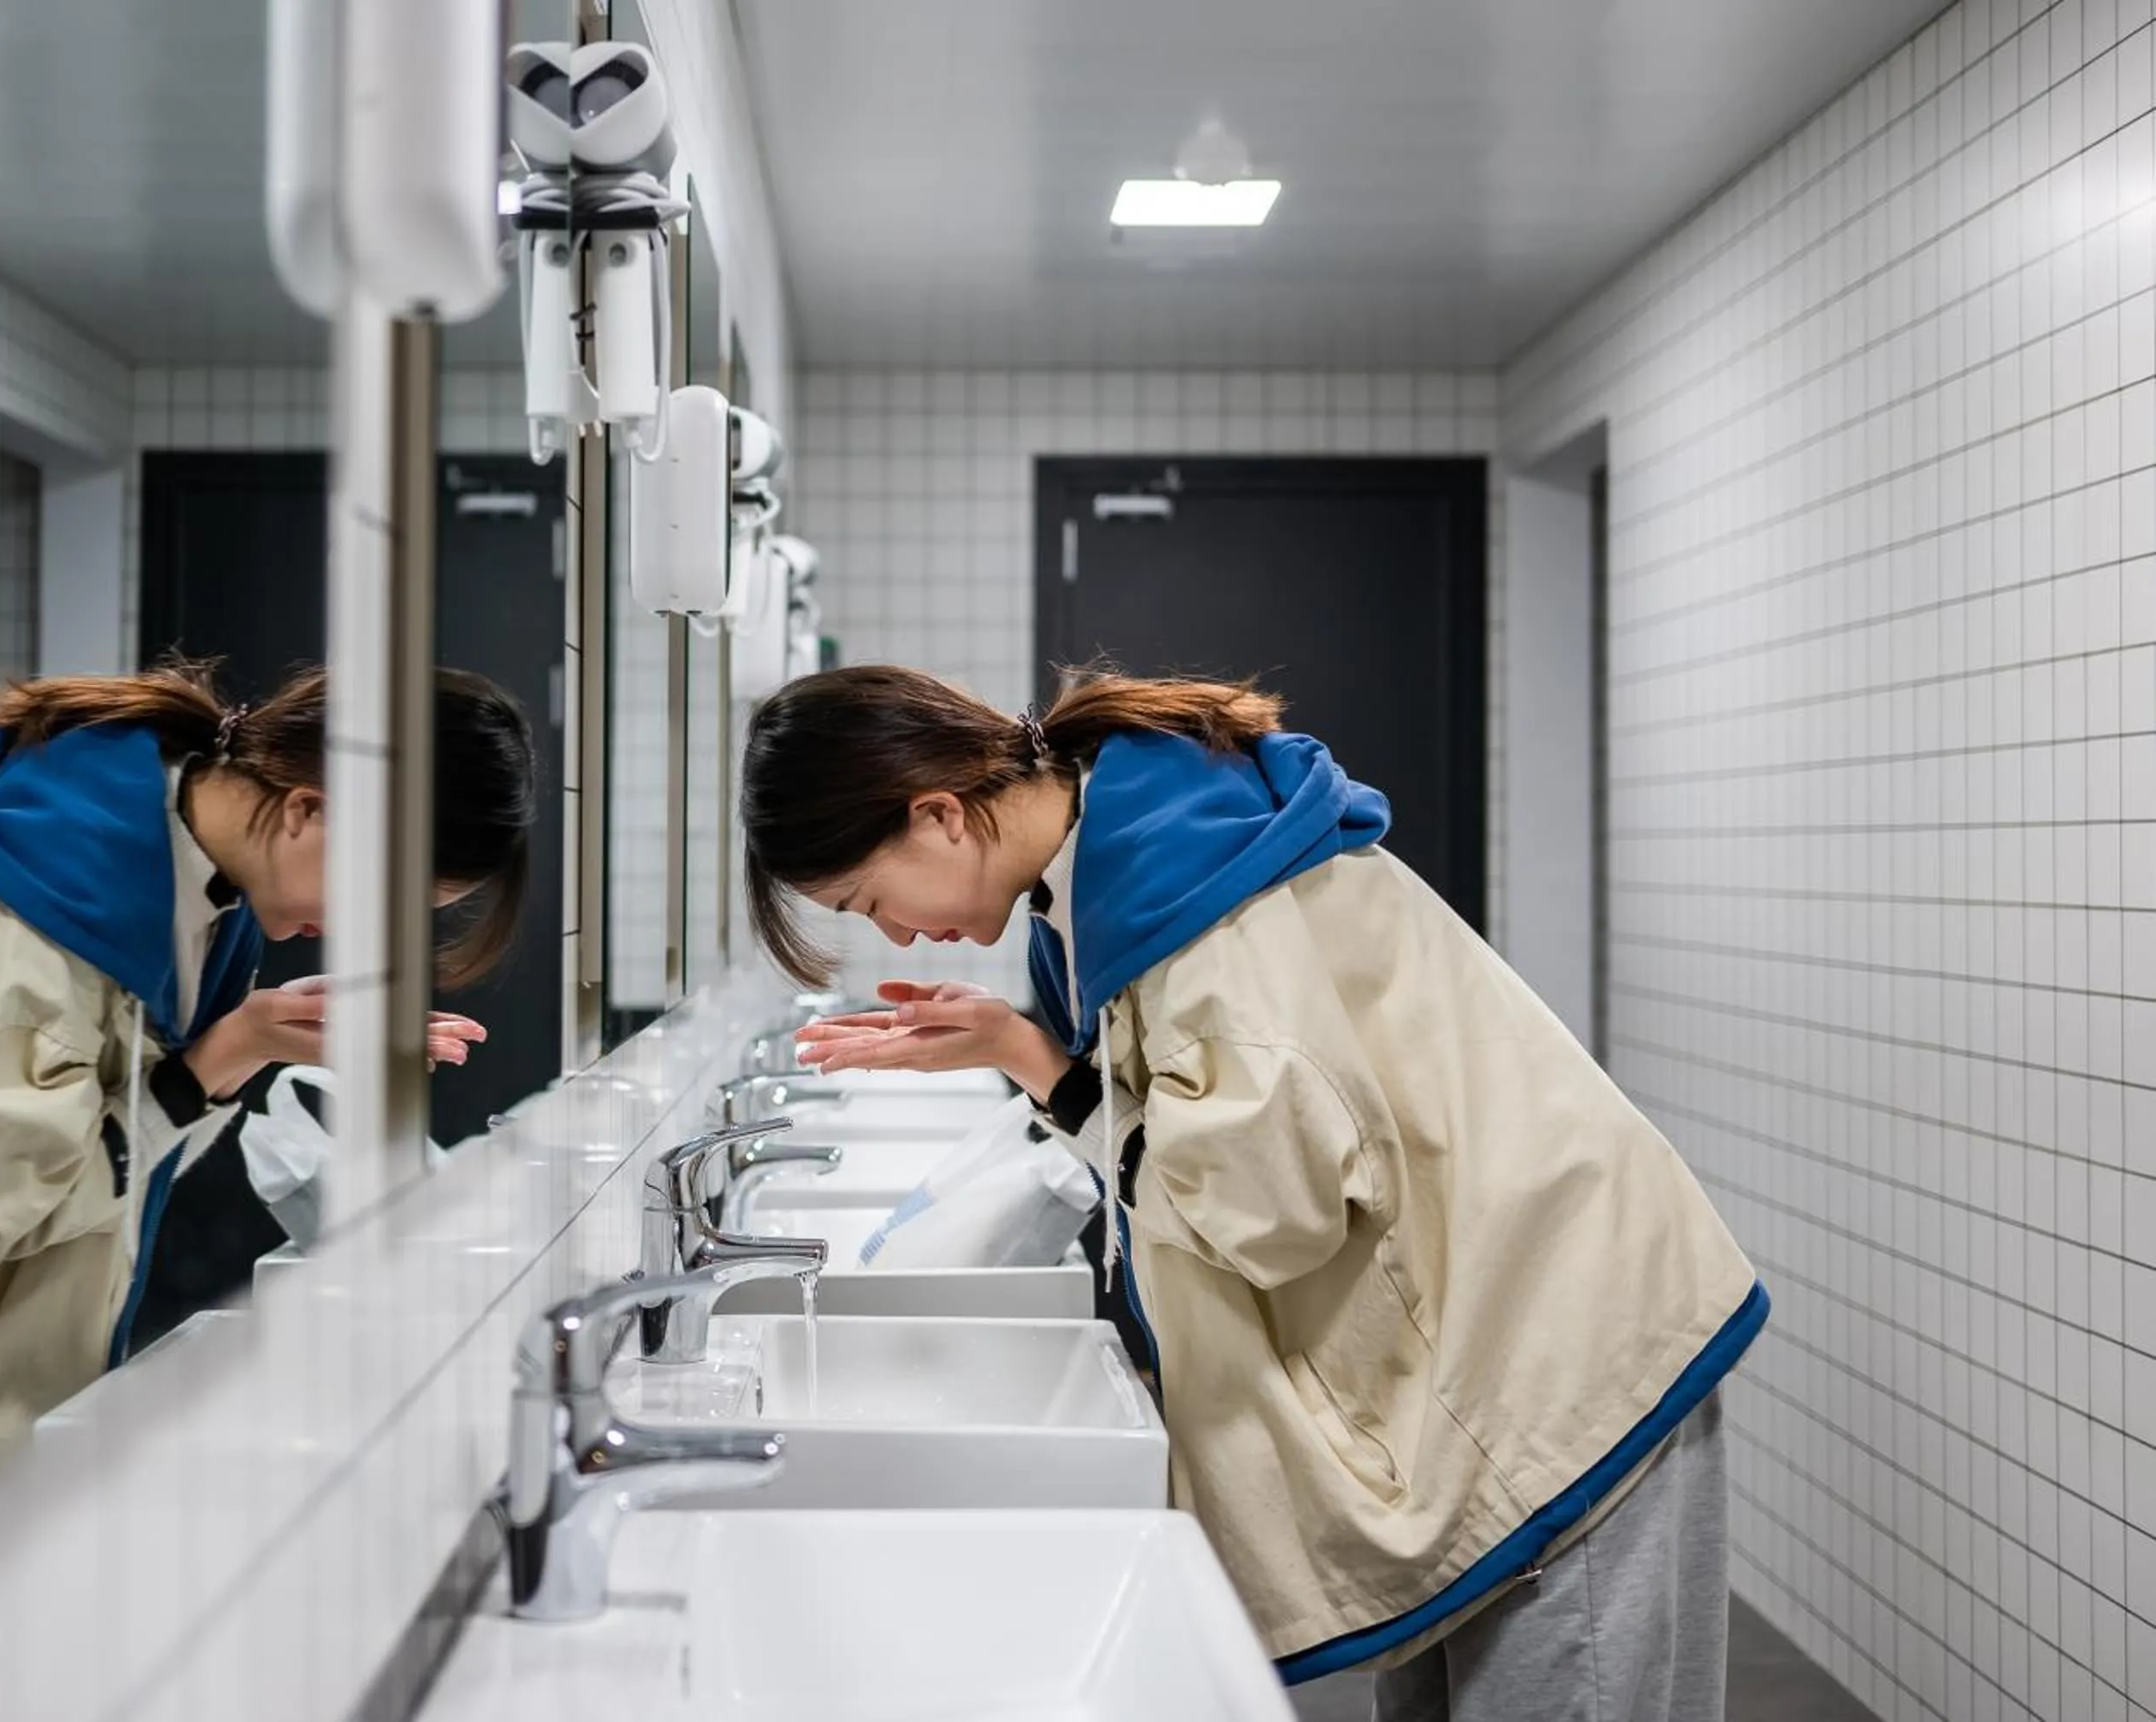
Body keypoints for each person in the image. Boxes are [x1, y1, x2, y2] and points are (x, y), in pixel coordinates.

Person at [739, 663, 1767, 1721]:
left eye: (870, 901)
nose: (898, 936)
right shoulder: (1121, 874)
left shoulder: (1197, 900)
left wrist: (1042, 1065)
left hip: (1553, 1363)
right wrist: (1026, 1049)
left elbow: (1270, 1212)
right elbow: (1211, 1139)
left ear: (939, 814)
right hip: (1477, 1343)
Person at [0, 660, 533, 1543]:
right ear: (310, 810)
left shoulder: (189, 882)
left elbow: (110, 1156)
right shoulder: (46, 910)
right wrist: (222, 1054)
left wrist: (247, 1042)